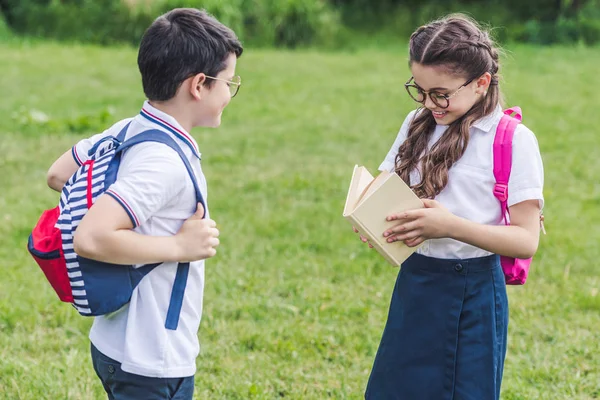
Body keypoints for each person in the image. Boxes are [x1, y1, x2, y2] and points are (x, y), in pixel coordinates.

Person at [45, 8, 243, 399]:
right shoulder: (164, 162)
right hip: (149, 357)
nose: (229, 93)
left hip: (114, 341)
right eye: (229, 82)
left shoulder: (130, 127)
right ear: (198, 85)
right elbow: (92, 237)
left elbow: (57, 173)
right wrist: (178, 246)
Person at [362, 14, 544, 400]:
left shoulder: (513, 140)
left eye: (440, 94)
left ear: (481, 83)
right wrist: (373, 219)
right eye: (420, 90)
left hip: (473, 292)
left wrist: (448, 225)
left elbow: (526, 240)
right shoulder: (418, 122)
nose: (429, 104)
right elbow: (385, 185)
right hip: (417, 280)